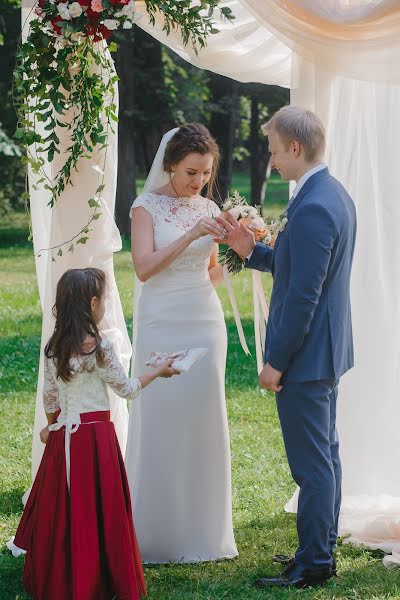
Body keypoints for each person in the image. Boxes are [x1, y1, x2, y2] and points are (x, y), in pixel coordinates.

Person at [216, 106, 357, 589]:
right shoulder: (328, 193)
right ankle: (321, 544)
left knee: (311, 464)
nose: (272, 162)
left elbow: (302, 297)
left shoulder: (315, 205)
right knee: (326, 455)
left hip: (307, 355)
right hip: (327, 350)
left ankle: (315, 563)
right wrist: (250, 250)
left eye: (275, 151)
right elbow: (297, 269)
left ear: (294, 148)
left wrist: (275, 362)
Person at [8, 268, 178, 600]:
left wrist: (52, 425)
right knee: (100, 509)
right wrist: (158, 370)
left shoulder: (53, 347)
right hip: (96, 439)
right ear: (94, 302)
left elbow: (51, 397)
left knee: (69, 509)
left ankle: (65, 575)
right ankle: (101, 576)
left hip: (64, 439)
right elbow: (127, 389)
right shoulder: (99, 347)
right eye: (106, 300)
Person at [126, 123, 238, 563]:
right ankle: (155, 531)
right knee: (162, 416)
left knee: (202, 416)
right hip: (161, 320)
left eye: (206, 173)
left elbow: (209, 272)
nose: (198, 182)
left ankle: (204, 532)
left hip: (204, 321)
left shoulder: (209, 206)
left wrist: (237, 253)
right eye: (191, 172)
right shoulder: (144, 207)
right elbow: (143, 268)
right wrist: (192, 234)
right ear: (171, 165)